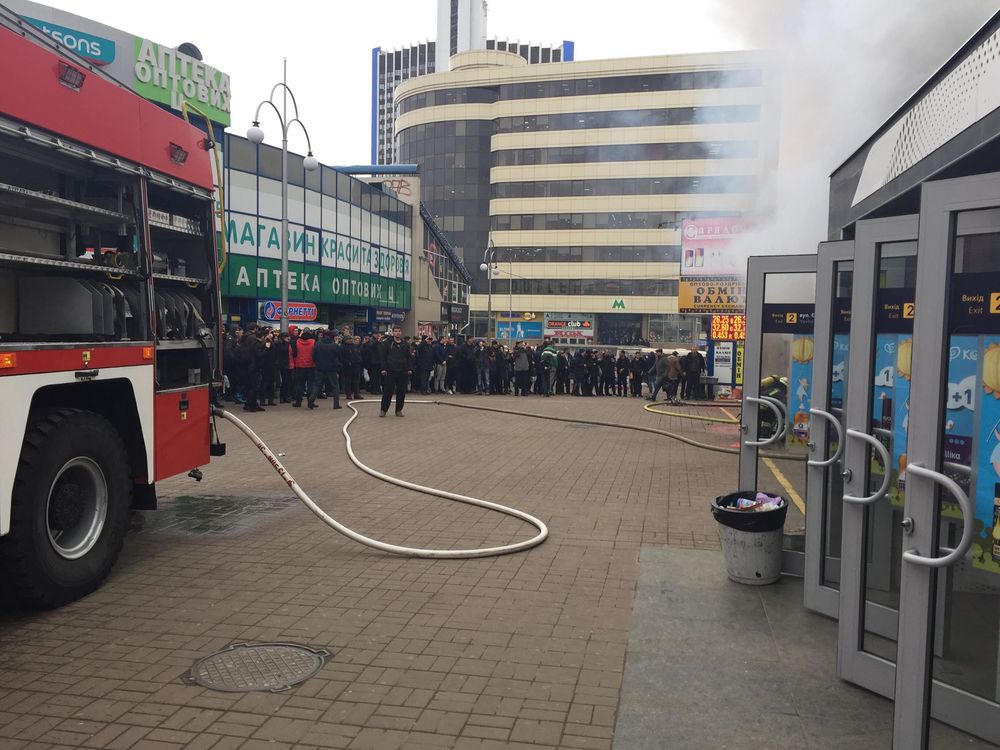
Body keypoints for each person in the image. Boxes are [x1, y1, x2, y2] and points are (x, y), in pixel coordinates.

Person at [379, 325, 411, 417]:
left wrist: (409, 368)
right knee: (388, 391)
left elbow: (408, 357)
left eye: (399, 331)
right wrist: (383, 368)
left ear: (401, 332)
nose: (397, 333)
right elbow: (383, 356)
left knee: (401, 391)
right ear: (393, 332)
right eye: (396, 331)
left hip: (402, 371)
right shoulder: (386, 343)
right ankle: (383, 410)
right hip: (390, 370)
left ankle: (398, 410)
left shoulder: (405, 344)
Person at [313, 330, 342, 409]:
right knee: (335, 386)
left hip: (320, 368)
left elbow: (314, 356)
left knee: (317, 385)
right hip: (332, 368)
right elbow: (339, 356)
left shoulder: (318, 344)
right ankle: (336, 404)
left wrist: (317, 363)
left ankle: (311, 400)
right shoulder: (334, 345)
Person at [291, 329, 316, 408]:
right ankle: (310, 401)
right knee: (311, 385)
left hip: (299, 366)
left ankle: (298, 402)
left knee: (300, 385)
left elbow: (294, 354)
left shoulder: (297, 342)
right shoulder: (313, 342)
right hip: (311, 366)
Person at [273, 332, 293, 403]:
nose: (288, 338)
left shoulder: (288, 343)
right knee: (284, 381)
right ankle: (282, 396)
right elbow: (283, 350)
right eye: (286, 337)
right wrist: (287, 343)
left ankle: (286, 396)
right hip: (282, 364)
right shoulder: (278, 344)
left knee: (288, 381)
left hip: (289, 363)